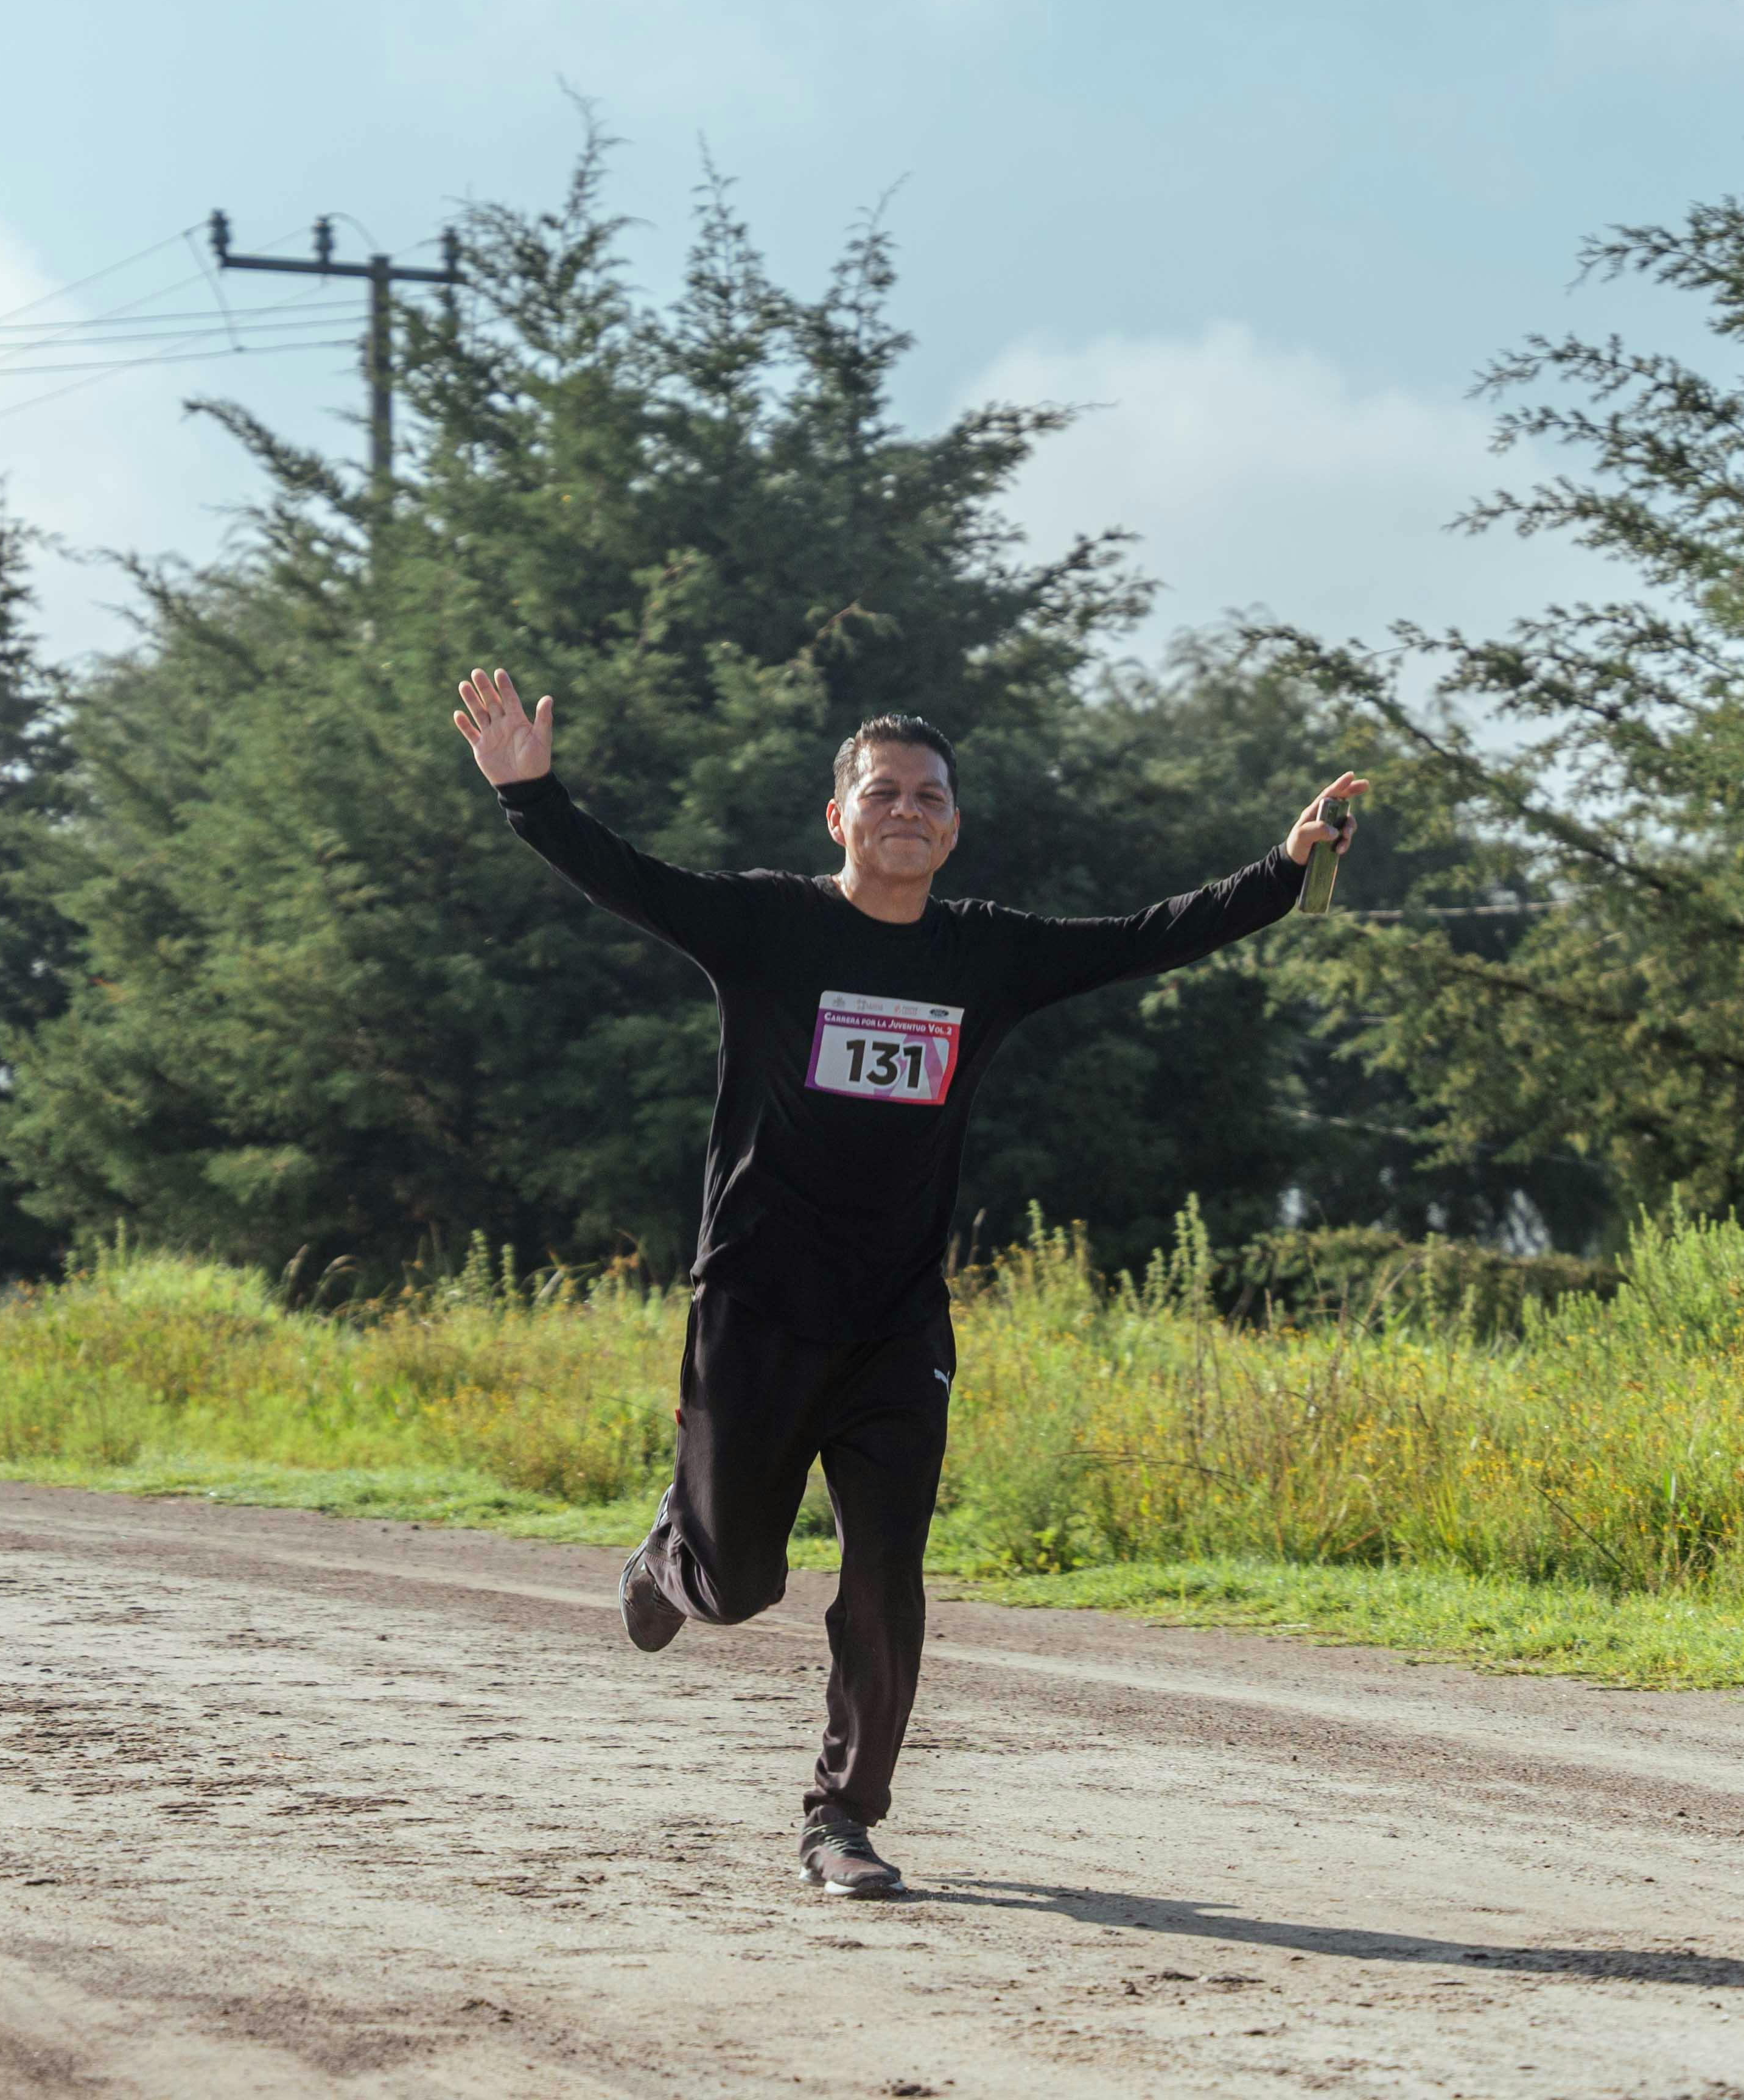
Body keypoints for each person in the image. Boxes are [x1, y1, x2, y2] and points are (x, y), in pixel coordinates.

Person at [451, 668, 1359, 1899]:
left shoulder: (983, 952)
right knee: (743, 1580)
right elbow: (633, 879)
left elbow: (1146, 935)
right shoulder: (771, 924)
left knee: (887, 1568)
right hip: (757, 1308)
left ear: (954, 824)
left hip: (895, 1320)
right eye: (881, 791)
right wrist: (530, 795)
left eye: (930, 795)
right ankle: (671, 1562)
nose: (906, 809)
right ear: (839, 816)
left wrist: (1284, 866)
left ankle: (843, 1815)